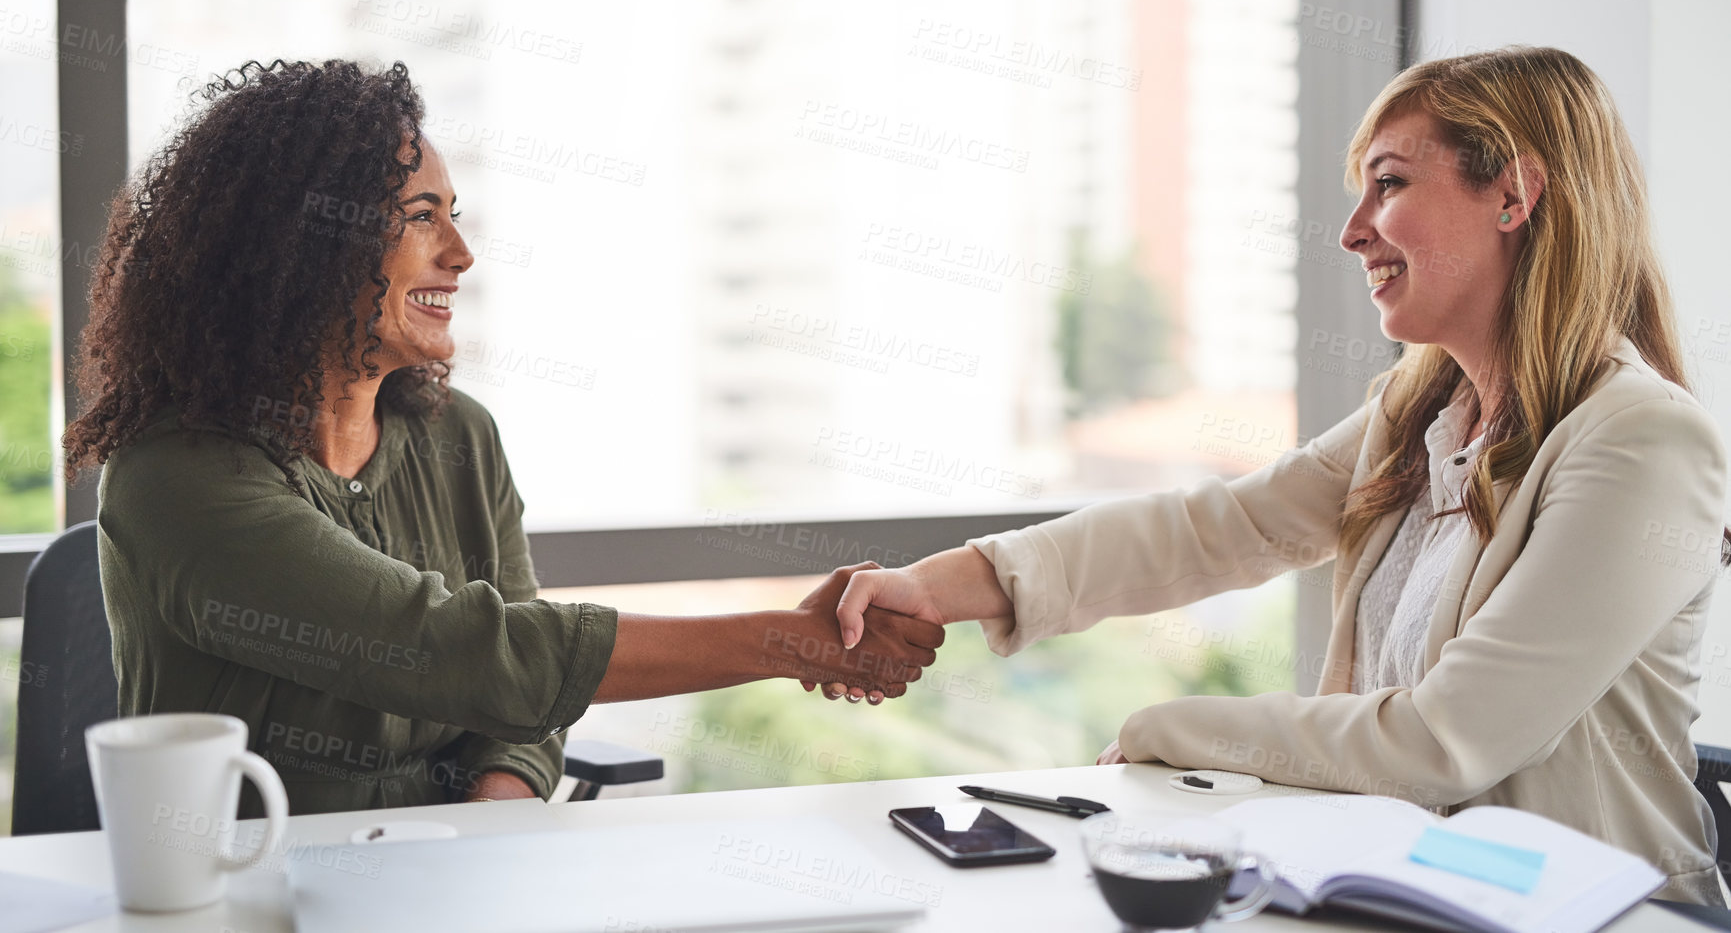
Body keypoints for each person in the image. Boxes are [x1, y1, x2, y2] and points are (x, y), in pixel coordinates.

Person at [829, 46, 1729, 904]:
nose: (1351, 232)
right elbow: (1218, 528)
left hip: (1605, 912)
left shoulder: (1642, 443)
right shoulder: (1420, 411)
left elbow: (1445, 740)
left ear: (1513, 194)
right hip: (1413, 889)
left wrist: (1164, 726)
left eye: (1389, 183)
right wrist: (932, 587)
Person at [65, 59, 941, 816]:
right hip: (249, 891)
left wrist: (497, 807)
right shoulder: (175, 476)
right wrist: (783, 640)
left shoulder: (460, 437)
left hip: (458, 879)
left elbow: (524, 704)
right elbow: (458, 649)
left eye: (453, 212)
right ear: (298, 243)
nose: (460, 252)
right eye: (420, 215)